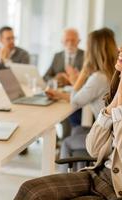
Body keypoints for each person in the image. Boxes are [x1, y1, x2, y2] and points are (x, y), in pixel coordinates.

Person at [14, 24, 122, 200]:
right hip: (98, 175)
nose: (121, 48)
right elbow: (93, 148)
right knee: (30, 190)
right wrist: (115, 103)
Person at [46, 28, 118, 172]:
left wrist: (80, 75)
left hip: (108, 138)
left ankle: (64, 184)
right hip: (112, 131)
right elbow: (81, 97)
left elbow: (75, 101)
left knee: (66, 143)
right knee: (78, 129)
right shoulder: (112, 73)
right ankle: (79, 172)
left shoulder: (98, 78)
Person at [44, 28, 85, 140]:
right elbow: (46, 77)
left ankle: (65, 141)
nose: (70, 43)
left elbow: (88, 80)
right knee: (46, 111)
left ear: (79, 41)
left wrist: (73, 79)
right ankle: (54, 140)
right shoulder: (57, 56)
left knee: (68, 115)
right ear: (62, 42)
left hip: (75, 96)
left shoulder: (86, 56)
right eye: (67, 40)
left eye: (73, 40)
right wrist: (55, 80)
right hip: (58, 95)